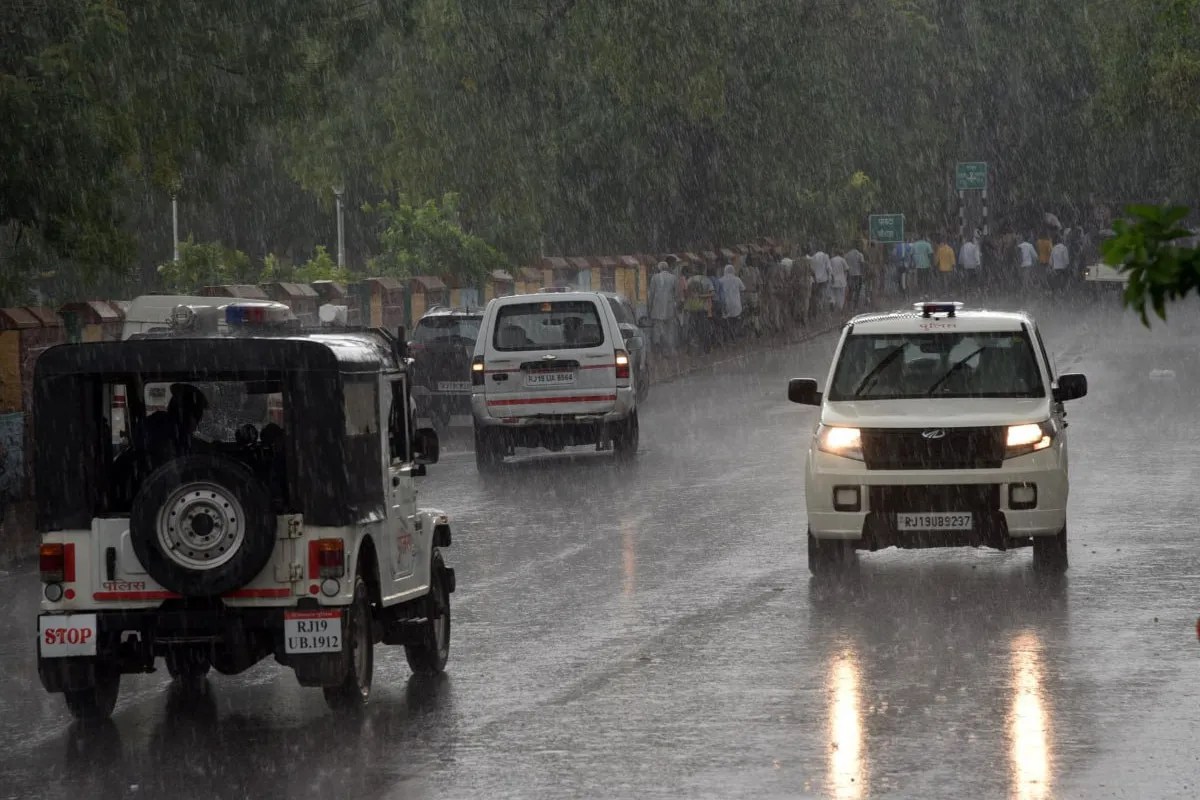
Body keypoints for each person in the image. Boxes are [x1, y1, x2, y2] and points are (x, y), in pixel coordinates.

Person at [141, 383, 209, 467]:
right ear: (188, 415)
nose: (197, 424)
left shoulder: (168, 431)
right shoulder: (170, 438)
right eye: (197, 416)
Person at [648, 261, 679, 354]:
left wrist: (650, 307)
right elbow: (676, 294)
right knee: (670, 329)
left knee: (658, 328)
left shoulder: (654, 278)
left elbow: (651, 294)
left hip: (657, 307)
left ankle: (658, 346)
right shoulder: (673, 278)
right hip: (669, 307)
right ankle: (669, 348)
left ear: (659, 268)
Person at [718, 264, 746, 340]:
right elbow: (743, 289)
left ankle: (728, 335)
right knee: (736, 319)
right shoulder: (737, 279)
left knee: (726, 320)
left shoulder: (720, 280)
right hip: (736, 305)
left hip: (725, 305)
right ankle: (734, 334)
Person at [809, 245, 832, 317]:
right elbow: (828, 268)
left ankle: (816, 310)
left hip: (815, 280)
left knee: (816, 296)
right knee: (823, 295)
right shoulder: (825, 256)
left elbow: (812, 269)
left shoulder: (813, 257)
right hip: (824, 279)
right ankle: (821, 310)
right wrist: (830, 277)